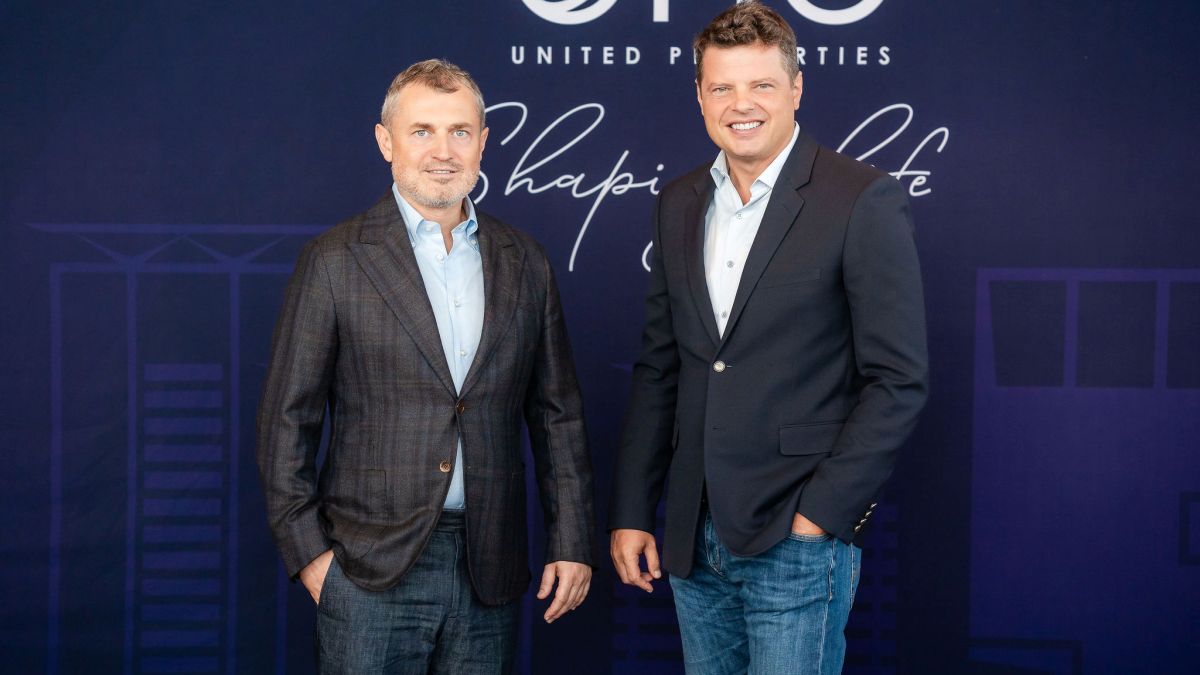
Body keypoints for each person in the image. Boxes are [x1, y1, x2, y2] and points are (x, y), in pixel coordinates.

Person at [609, 2, 929, 673]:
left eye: (761, 84)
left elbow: (898, 380)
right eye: (722, 87)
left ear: (796, 88)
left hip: (797, 535)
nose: (741, 105)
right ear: (700, 96)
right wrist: (634, 509)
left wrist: (822, 516)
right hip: (693, 537)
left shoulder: (861, 199)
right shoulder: (678, 202)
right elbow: (661, 368)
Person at [256, 59, 594, 674]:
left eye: (460, 131)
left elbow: (557, 416)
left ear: (483, 142)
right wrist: (310, 557)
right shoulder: (334, 260)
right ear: (386, 141)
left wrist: (571, 540)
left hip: (489, 565)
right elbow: (286, 421)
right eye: (422, 131)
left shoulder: (525, 261)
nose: (444, 151)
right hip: (366, 568)